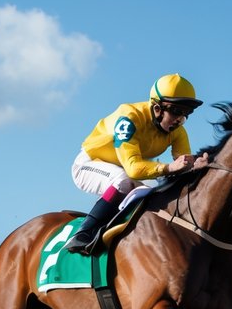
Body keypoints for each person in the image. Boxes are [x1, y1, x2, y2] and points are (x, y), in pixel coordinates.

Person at [64, 73, 209, 255]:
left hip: (125, 168)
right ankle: (84, 233)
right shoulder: (129, 119)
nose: (180, 119)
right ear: (157, 108)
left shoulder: (178, 132)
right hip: (89, 164)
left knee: (155, 192)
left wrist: (196, 167)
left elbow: (183, 164)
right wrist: (169, 168)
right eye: (176, 111)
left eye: (186, 113)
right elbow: (133, 169)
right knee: (123, 180)